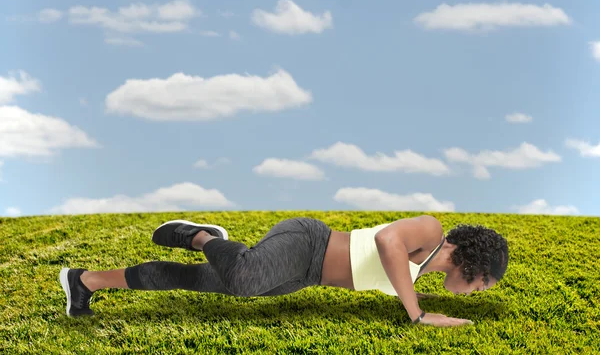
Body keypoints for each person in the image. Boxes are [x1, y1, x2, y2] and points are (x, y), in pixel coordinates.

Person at [60, 214, 509, 328]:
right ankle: (201, 237)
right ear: (474, 264)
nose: (474, 292)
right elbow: (385, 242)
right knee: (243, 277)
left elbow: (394, 279)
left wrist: (427, 307)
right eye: (483, 284)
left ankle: (84, 280)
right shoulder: (430, 233)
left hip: (305, 275)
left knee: (208, 282)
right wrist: (416, 314)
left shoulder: (422, 277)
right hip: (307, 242)